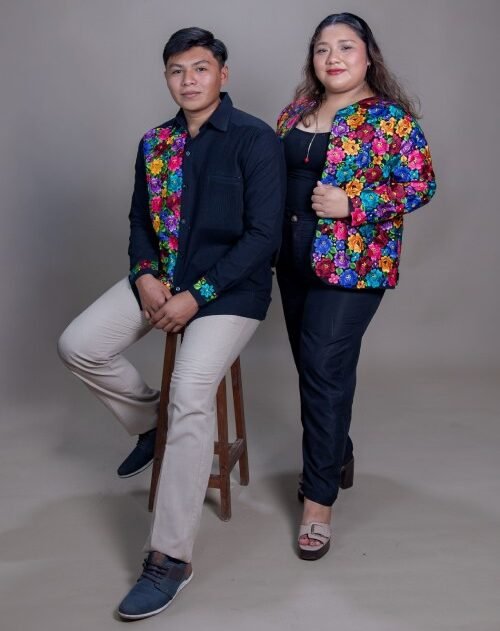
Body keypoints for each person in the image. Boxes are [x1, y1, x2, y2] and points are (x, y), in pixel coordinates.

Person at [58, 27, 284, 619]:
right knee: (78, 344)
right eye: (177, 70)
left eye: (200, 68)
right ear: (166, 78)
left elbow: (264, 237)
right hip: (163, 278)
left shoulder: (256, 140)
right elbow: (139, 219)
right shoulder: (155, 142)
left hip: (231, 291)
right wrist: (143, 274)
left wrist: (196, 295)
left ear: (222, 75)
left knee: (190, 390)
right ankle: (150, 424)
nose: (189, 80)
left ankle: (170, 558)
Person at [275, 12, 436, 561]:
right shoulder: (294, 113)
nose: (334, 57)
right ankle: (336, 452)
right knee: (315, 369)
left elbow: (421, 184)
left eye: (346, 46)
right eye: (323, 48)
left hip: (354, 266)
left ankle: (318, 501)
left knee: (323, 368)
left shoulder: (390, 120)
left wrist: (355, 204)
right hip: (291, 262)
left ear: (368, 57)